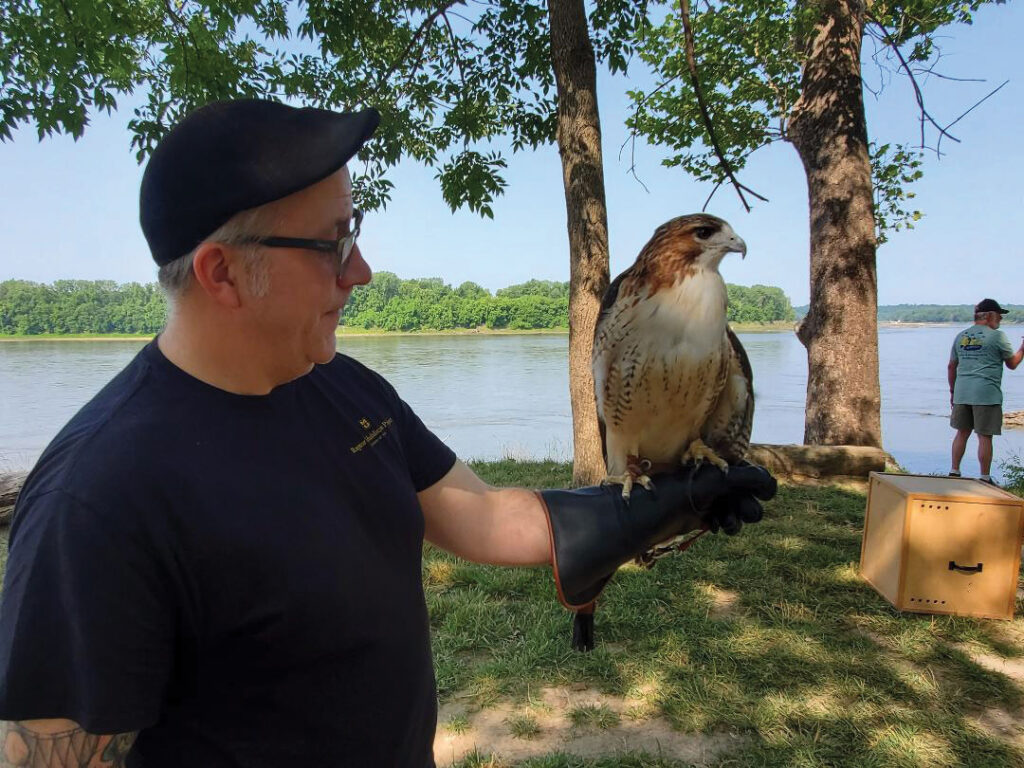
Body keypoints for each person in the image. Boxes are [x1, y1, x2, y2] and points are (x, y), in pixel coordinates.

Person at [0, 99, 775, 767]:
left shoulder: (342, 386)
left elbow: (475, 515)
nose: (362, 270)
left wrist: (661, 505)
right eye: (332, 242)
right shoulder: (96, 501)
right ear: (221, 273)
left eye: (355, 230)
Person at [948, 298, 1024, 484]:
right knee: (984, 436)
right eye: (999, 315)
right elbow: (1012, 363)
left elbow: (951, 366)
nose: (1000, 319)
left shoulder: (961, 336)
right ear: (990, 315)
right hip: (986, 394)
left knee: (962, 432)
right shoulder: (997, 336)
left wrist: (952, 392)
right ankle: (984, 477)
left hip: (962, 393)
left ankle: (954, 471)